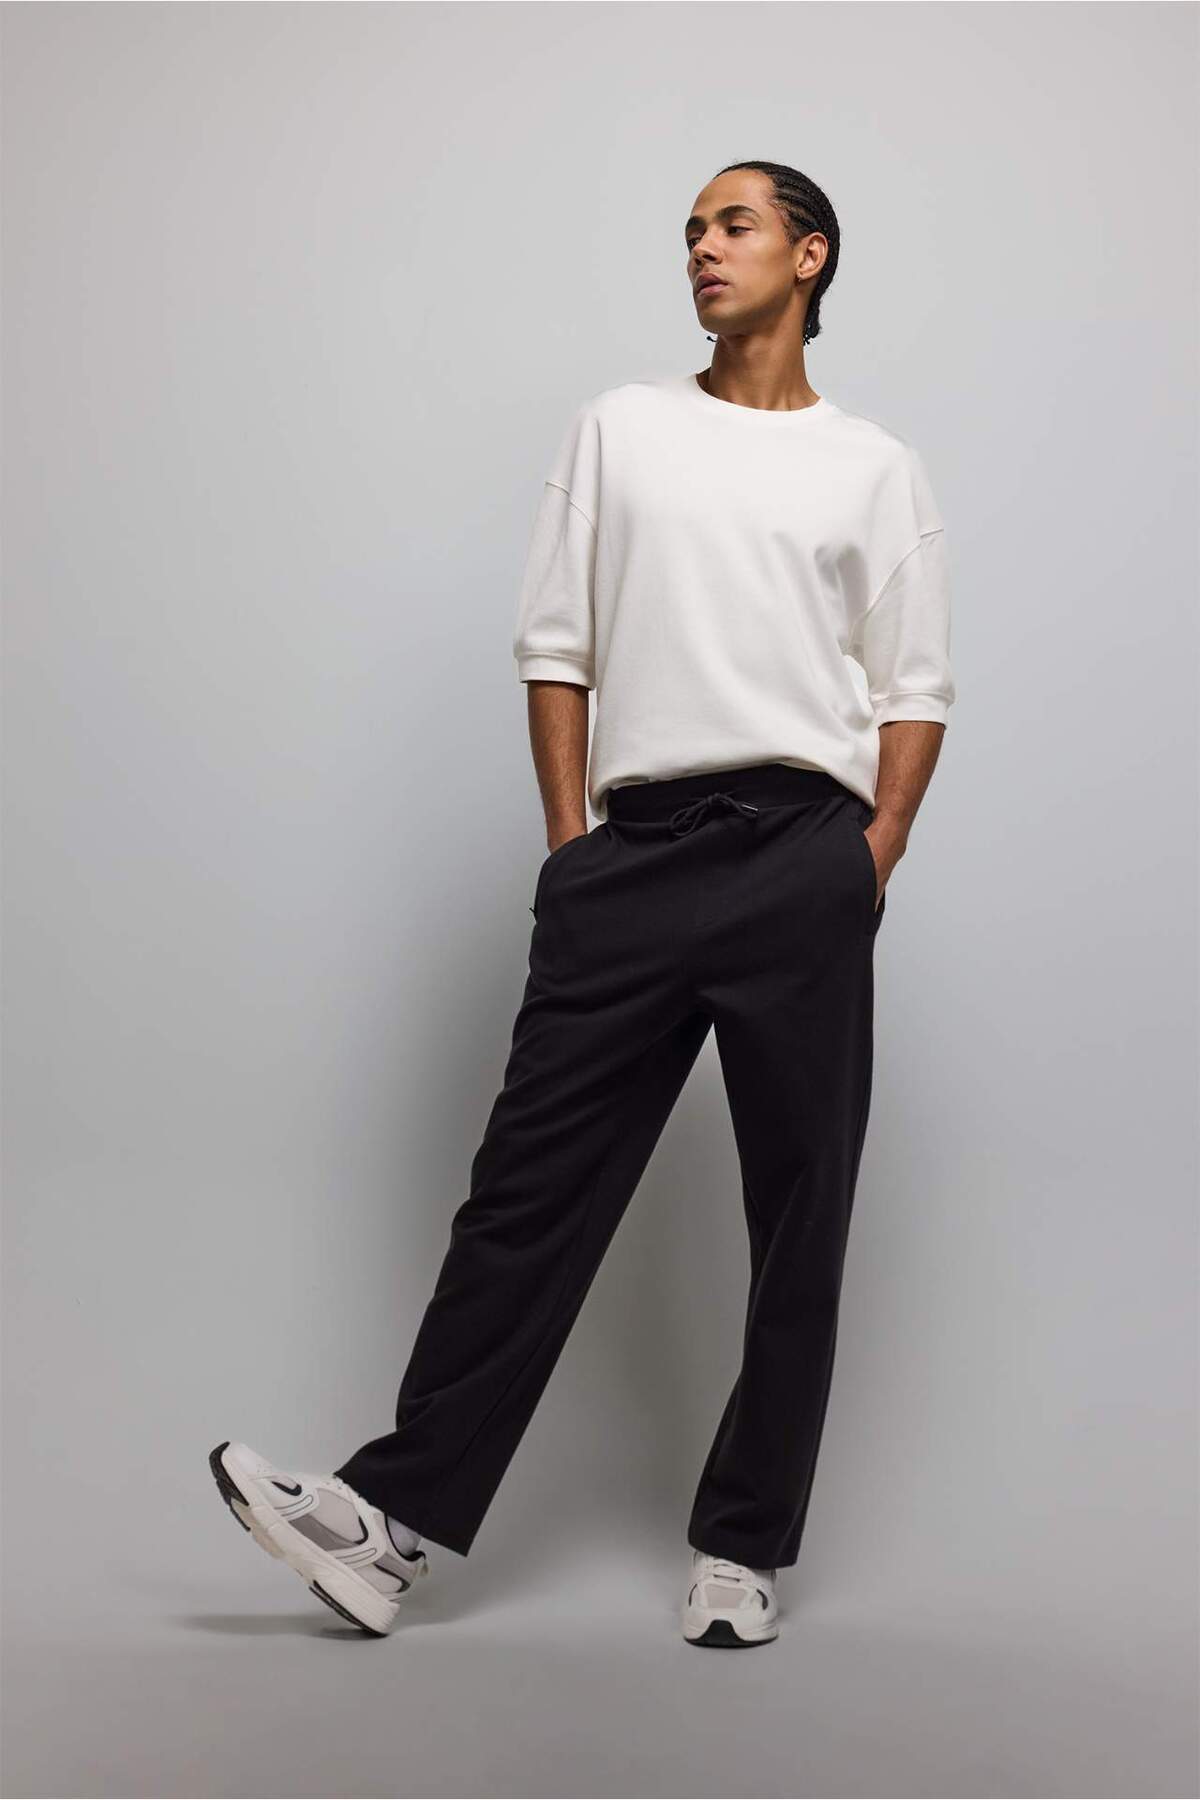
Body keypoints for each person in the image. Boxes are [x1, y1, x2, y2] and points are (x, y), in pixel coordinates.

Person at [209, 158, 955, 1648]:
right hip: (636, 859)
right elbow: (558, 645)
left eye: (734, 224)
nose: (703, 249)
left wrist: (864, 857)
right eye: (691, 231)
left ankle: (742, 1548)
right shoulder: (621, 429)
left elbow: (913, 685)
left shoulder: (874, 466)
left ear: (810, 254)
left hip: (802, 854)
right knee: (526, 1196)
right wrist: (572, 853)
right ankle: (387, 1528)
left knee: (801, 1208)